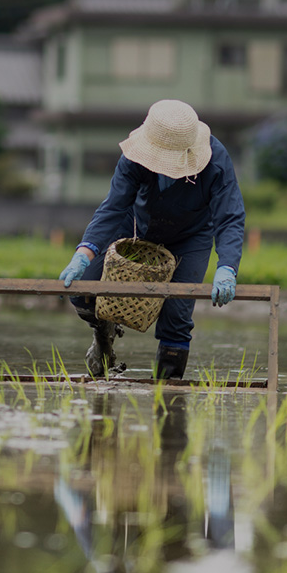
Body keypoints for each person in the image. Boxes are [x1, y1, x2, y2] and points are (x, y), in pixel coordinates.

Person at [60, 99, 245, 380]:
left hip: (190, 235)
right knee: (84, 291)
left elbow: (229, 217)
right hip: (134, 225)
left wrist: (227, 267)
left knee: (177, 315)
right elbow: (113, 207)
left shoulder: (215, 161)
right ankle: (102, 337)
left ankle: (168, 397)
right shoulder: (133, 157)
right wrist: (84, 252)